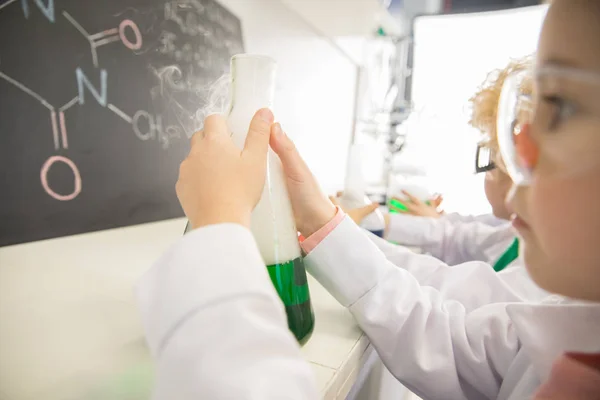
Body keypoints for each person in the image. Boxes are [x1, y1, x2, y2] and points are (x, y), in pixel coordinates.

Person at [136, 1, 600, 398]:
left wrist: (218, 226)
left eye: (560, 106)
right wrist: (320, 217)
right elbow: (458, 341)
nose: (521, 145)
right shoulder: (574, 331)